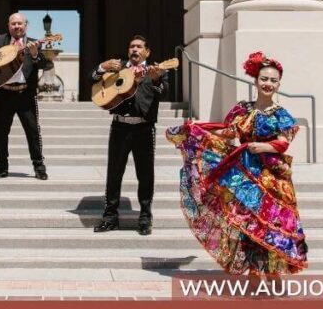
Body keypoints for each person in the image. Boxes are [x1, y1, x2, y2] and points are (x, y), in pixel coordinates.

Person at [165, 51, 308, 276]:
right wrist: (201, 130)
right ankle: (252, 271)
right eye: (264, 79)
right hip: (243, 173)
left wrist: (262, 147)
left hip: (272, 175)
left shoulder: (281, 114)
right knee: (247, 222)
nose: (268, 84)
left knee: (273, 223)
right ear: (255, 81)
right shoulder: (243, 109)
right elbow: (228, 131)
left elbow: (283, 143)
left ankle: (273, 273)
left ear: (279, 84)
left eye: (273, 80)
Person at [91, 35, 166, 236]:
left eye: (139, 46)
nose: (134, 49)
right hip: (119, 127)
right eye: (131, 46)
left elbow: (161, 90)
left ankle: (144, 217)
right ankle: (110, 217)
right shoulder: (117, 67)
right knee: (114, 174)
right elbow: (93, 79)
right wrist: (101, 67)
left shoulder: (155, 70)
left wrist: (157, 77)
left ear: (147, 52)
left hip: (144, 128)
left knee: (145, 175)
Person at [0, 13, 50, 180]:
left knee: (33, 132)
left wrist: (36, 54)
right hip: (4, 94)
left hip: (25, 95)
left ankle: (39, 167)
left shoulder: (33, 43)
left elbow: (45, 64)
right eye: (13, 24)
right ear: (9, 26)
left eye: (20, 23)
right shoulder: (0, 41)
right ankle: (1, 167)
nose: (17, 26)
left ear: (26, 25)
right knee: (0, 133)